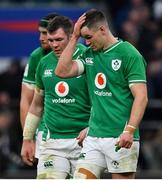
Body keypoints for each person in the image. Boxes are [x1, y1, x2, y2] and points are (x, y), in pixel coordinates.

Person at [55, 9, 148, 179]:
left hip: (120, 136)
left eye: (88, 37)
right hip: (94, 137)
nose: (87, 43)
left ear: (103, 30)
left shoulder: (129, 54)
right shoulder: (89, 55)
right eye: (84, 38)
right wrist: (74, 38)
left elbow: (141, 97)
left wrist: (130, 130)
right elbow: (61, 71)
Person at [21, 15, 91, 179]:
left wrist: (92, 128)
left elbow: (101, 99)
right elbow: (36, 105)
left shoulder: (88, 58)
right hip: (52, 142)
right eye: (51, 40)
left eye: (59, 40)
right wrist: (27, 138)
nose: (54, 45)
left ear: (71, 36)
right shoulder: (43, 63)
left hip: (84, 141)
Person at [20, 13, 58, 160]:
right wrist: (28, 139)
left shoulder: (80, 54)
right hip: (45, 131)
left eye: (45, 33)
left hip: (78, 130)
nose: (40, 38)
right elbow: (26, 101)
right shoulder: (37, 57)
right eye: (40, 33)